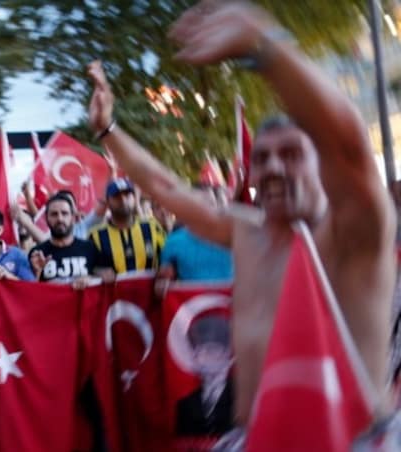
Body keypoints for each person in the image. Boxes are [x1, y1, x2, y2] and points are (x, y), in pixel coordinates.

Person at [87, 0, 396, 438]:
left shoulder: (357, 232)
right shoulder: (246, 231)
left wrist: (266, 45)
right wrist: (106, 131)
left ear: (322, 166)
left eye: (291, 156)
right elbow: (167, 188)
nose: (272, 169)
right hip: (255, 438)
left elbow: (348, 146)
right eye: (264, 159)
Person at [29, 194, 109, 288]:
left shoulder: (90, 248)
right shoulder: (37, 253)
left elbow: (107, 279)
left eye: (64, 213)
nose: (60, 219)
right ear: (46, 219)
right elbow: (29, 293)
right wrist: (36, 273)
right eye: (54, 214)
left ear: (72, 218)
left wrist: (91, 279)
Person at [174, 313, 234, 437]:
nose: (204, 357)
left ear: (227, 354)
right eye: (199, 352)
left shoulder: (240, 397)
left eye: (211, 350)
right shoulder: (185, 404)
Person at [89, 179, 165, 274]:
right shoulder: (95, 236)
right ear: (108, 202)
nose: (123, 200)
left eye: (127, 195)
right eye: (117, 196)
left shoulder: (152, 226)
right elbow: (87, 266)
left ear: (134, 198)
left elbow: (169, 256)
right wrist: (97, 271)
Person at [159, 185, 233, 283]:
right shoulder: (174, 242)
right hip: (193, 298)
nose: (208, 210)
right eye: (201, 205)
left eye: (211, 204)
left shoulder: (235, 239)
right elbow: (162, 284)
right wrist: (163, 283)